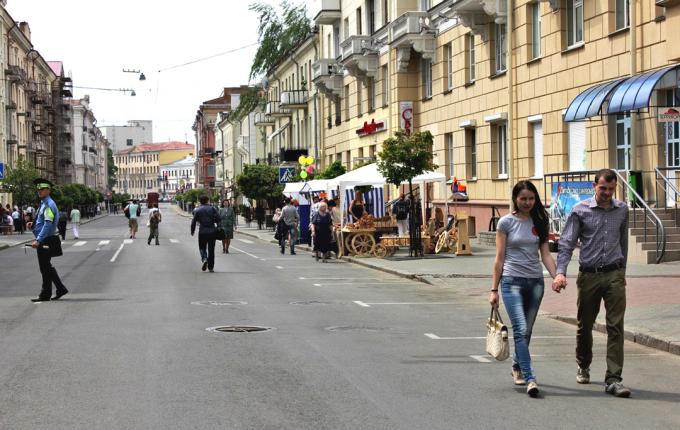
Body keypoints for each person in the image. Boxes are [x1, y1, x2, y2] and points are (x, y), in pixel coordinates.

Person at [552, 168, 631, 398]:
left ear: (615, 187)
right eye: (602, 188)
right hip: (589, 275)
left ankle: (614, 379)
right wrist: (560, 272)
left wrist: (623, 271)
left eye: (611, 188)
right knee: (585, 324)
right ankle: (583, 363)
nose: (607, 193)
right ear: (595, 186)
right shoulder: (580, 211)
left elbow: (623, 241)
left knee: (616, 326)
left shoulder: (622, 210)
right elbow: (566, 244)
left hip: (614, 274)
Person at [490, 180, 557, 397]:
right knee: (519, 329)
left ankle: (517, 366)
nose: (527, 202)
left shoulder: (540, 220)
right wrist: (494, 290)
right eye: (523, 198)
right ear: (515, 199)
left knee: (526, 331)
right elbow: (499, 259)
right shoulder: (505, 223)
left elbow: (545, 254)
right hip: (511, 282)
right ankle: (530, 378)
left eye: (531, 198)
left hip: (535, 282)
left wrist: (557, 276)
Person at [28, 178, 68, 302]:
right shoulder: (44, 203)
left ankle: (48, 293)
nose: (39, 191)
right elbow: (43, 221)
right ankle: (57, 290)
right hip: (45, 239)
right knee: (46, 268)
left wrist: (39, 240)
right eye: (38, 189)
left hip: (46, 240)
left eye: (42, 189)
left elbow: (48, 224)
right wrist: (33, 224)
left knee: (45, 268)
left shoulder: (49, 205)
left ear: (48, 190)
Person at [191, 195, 219, 272]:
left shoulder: (198, 210)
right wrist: (218, 226)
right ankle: (211, 267)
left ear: (200, 201)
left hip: (202, 231)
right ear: (207, 200)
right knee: (211, 250)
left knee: (202, 247)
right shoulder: (212, 208)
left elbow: (193, 222)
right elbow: (218, 218)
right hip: (212, 231)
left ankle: (204, 259)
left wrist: (192, 231)